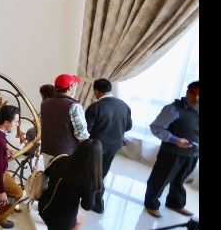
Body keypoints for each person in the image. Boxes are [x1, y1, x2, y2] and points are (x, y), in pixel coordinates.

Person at [32, 139, 102, 230]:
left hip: (45, 205)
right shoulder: (89, 179)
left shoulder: (61, 159)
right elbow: (88, 205)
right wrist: (96, 188)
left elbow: (47, 174)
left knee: (80, 219)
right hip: (61, 219)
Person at [143, 81, 199, 218]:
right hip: (172, 153)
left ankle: (175, 203)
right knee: (160, 179)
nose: (197, 98)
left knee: (180, 180)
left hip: (193, 154)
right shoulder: (173, 109)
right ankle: (151, 204)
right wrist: (175, 140)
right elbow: (156, 128)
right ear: (188, 92)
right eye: (194, 94)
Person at [84, 78, 133, 214]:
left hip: (97, 146)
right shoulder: (124, 105)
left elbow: (85, 129)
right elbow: (128, 126)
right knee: (102, 172)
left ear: (96, 91)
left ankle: (95, 203)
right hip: (115, 145)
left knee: (93, 173)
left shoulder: (95, 107)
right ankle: (93, 200)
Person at [40, 74, 89, 167]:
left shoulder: (45, 104)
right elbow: (81, 134)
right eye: (75, 85)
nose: (75, 87)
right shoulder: (74, 106)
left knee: (49, 174)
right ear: (71, 87)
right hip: (65, 152)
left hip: (47, 148)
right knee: (62, 179)